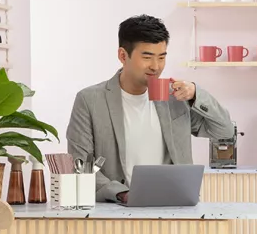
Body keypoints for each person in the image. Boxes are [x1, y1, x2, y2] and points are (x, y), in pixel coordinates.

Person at [67, 14, 233, 203]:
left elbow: (224, 131)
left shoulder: (175, 97)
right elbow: (80, 166)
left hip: (175, 205)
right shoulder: (90, 100)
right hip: (117, 210)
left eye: (161, 57)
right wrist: (121, 194)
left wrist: (197, 94)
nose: (156, 66)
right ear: (123, 55)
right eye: (147, 57)